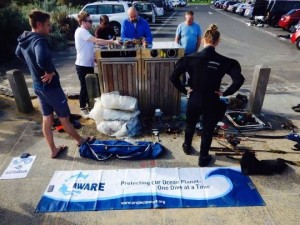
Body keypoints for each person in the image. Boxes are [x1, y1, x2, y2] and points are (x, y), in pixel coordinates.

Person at [15, 10, 95, 158]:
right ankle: (80, 140)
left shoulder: (24, 38)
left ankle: (53, 150)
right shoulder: (39, 40)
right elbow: (42, 58)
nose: (49, 28)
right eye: (47, 25)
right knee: (64, 117)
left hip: (38, 86)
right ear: (38, 25)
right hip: (51, 87)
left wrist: (33, 67)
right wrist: (49, 70)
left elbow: (18, 53)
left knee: (47, 118)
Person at [170, 24, 245, 167]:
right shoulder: (224, 61)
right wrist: (226, 92)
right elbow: (239, 79)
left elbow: (173, 77)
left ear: (204, 40)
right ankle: (203, 157)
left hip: (194, 98)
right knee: (208, 130)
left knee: (190, 124)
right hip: (211, 100)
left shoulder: (190, 58)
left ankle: (187, 147)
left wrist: (184, 90)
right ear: (217, 42)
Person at [75, 12, 119, 118]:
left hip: (87, 63)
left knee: (89, 85)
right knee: (84, 87)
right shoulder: (81, 31)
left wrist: (93, 58)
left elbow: (88, 47)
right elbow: (97, 41)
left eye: (91, 21)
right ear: (82, 22)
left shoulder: (84, 32)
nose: (91, 23)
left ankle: (87, 105)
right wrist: (112, 42)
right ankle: (82, 107)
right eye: (89, 21)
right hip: (82, 64)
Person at [175, 11, 202, 86]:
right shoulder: (181, 26)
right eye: (189, 19)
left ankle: (192, 84)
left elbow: (199, 39)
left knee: (193, 69)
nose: (191, 21)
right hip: (183, 52)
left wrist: (196, 50)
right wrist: (178, 49)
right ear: (185, 17)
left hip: (193, 52)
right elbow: (177, 39)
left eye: (192, 19)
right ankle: (183, 83)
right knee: (183, 69)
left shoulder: (197, 26)